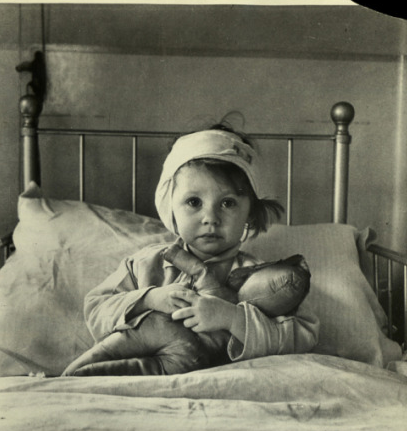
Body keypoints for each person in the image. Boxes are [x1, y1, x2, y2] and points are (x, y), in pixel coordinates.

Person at [63, 123, 319, 376]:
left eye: (228, 203)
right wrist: (149, 299)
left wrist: (231, 319)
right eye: (194, 202)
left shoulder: (259, 278)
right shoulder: (145, 264)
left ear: (250, 213)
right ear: (170, 207)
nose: (211, 217)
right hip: (134, 380)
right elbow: (96, 310)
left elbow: (302, 337)